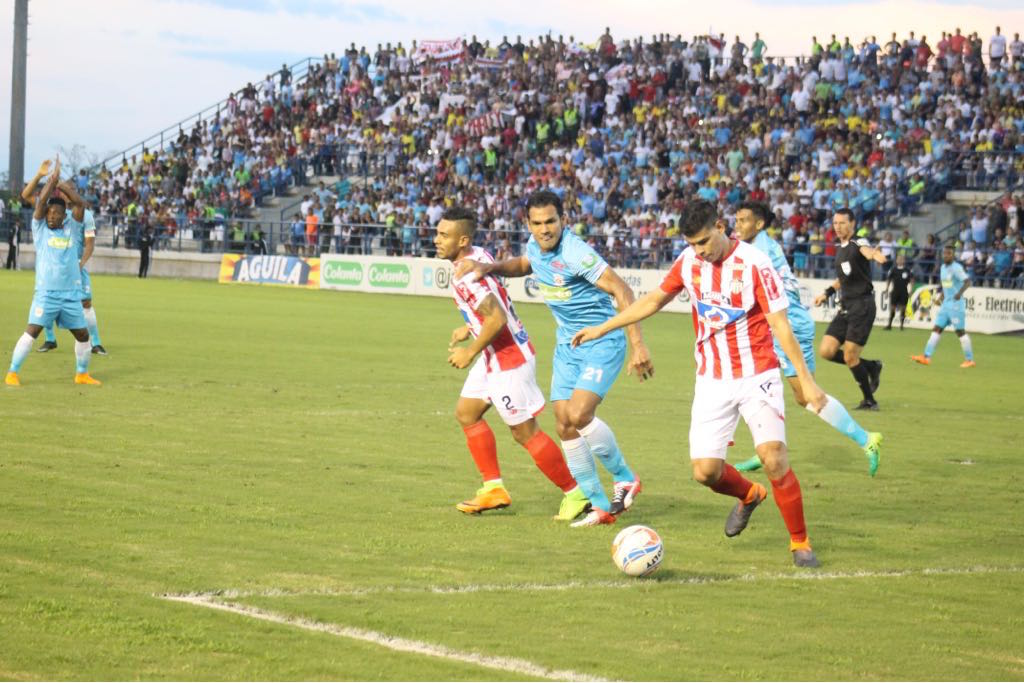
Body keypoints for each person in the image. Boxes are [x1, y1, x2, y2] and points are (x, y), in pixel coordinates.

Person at [572, 200, 825, 567]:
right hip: (712, 379)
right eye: (692, 244)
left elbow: (780, 325)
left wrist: (806, 379)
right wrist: (603, 327)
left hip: (758, 374)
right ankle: (750, 494)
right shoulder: (689, 262)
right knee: (705, 472)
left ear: (721, 226)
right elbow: (655, 299)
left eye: (704, 241)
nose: (699, 251)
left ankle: (800, 543)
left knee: (773, 458)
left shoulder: (756, 263)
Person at [456, 190, 651, 527]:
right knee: (563, 423)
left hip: (601, 340)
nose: (545, 229)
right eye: (537, 223)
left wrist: (637, 344)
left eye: (551, 221)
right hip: (568, 345)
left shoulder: (576, 253)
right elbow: (524, 264)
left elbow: (623, 290)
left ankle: (625, 477)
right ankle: (601, 506)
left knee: (578, 414)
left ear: (563, 220)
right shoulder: (536, 246)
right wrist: (492, 267)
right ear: (528, 224)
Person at [434, 207, 590, 521]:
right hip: (497, 354)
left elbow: (497, 317)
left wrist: (470, 351)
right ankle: (493, 488)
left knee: (524, 432)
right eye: (438, 233)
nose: (436, 240)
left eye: (443, 235)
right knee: (467, 413)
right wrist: (470, 325)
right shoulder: (477, 257)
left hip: (508, 359)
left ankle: (577, 495)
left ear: (462, 240)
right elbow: (494, 303)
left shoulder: (468, 276)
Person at [729, 203, 882, 477]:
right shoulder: (756, 245)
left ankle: (866, 439)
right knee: (763, 385)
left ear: (760, 224)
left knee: (806, 395)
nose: (737, 225)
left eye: (743, 220)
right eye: (736, 220)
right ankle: (767, 449)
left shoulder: (758, 250)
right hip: (779, 323)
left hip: (788, 325)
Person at [5, 157, 101, 387]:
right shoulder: (40, 229)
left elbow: (79, 205)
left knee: (82, 335)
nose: (51, 217)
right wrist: (51, 181)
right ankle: (12, 373)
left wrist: (63, 186)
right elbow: (38, 205)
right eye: (49, 214)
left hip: (70, 294)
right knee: (32, 331)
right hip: (46, 294)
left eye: (56, 214)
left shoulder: (73, 227)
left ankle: (81, 374)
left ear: (63, 215)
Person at [814, 209, 887, 411]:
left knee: (849, 356)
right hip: (846, 306)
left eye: (843, 223)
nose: (838, 227)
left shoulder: (858, 242)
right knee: (826, 351)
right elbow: (842, 279)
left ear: (853, 224)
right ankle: (872, 366)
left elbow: (868, 251)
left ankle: (869, 400)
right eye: (835, 223)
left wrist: (875, 255)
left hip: (862, 305)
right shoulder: (841, 249)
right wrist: (826, 293)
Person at [911, 244, 975, 368]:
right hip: (946, 305)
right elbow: (946, 285)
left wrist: (959, 294)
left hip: (956, 305)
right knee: (936, 329)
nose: (946, 255)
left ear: (953, 255)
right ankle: (926, 357)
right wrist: (940, 298)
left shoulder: (957, 268)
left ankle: (970, 360)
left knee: (960, 332)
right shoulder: (943, 268)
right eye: (944, 253)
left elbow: (968, 282)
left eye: (949, 253)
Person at [884, 253, 913, 331]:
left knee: (903, 309)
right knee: (892, 308)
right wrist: (887, 289)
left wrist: (911, 290)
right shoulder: (893, 269)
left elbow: (911, 280)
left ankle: (901, 326)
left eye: (901, 259)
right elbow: (889, 279)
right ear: (896, 260)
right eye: (898, 259)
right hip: (895, 291)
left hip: (904, 292)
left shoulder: (907, 270)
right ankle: (889, 325)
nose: (900, 260)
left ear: (904, 261)